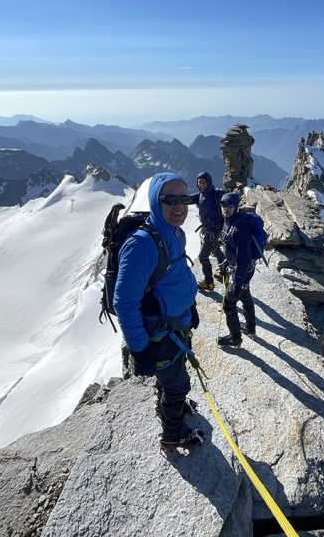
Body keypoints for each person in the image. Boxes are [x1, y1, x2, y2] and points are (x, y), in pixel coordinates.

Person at [113, 172, 203, 451]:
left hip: (176, 326)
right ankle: (173, 435)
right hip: (160, 335)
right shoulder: (141, 245)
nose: (179, 207)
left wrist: (190, 305)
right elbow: (124, 302)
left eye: (185, 199)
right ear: (155, 201)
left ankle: (169, 404)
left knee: (173, 377)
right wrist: (140, 350)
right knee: (177, 385)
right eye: (170, 199)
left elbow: (176, 275)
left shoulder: (175, 233)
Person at [217, 192, 257, 347]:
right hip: (245, 270)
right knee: (245, 296)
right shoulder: (229, 221)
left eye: (230, 205)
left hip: (242, 271)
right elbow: (230, 247)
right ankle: (251, 328)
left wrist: (238, 281)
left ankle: (235, 337)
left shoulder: (240, 228)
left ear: (236, 207)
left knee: (228, 303)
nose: (226, 209)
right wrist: (227, 262)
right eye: (223, 205)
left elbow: (243, 257)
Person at [190, 172, 226, 291]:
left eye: (204, 182)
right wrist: (174, 199)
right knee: (216, 250)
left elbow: (228, 198)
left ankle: (208, 282)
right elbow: (188, 199)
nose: (201, 185)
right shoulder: (200, 195)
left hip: (213, 230)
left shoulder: (216, 194)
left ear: (209, 182)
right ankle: (224, 272)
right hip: (211, 229)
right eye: (199, 182)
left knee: (202, 257)